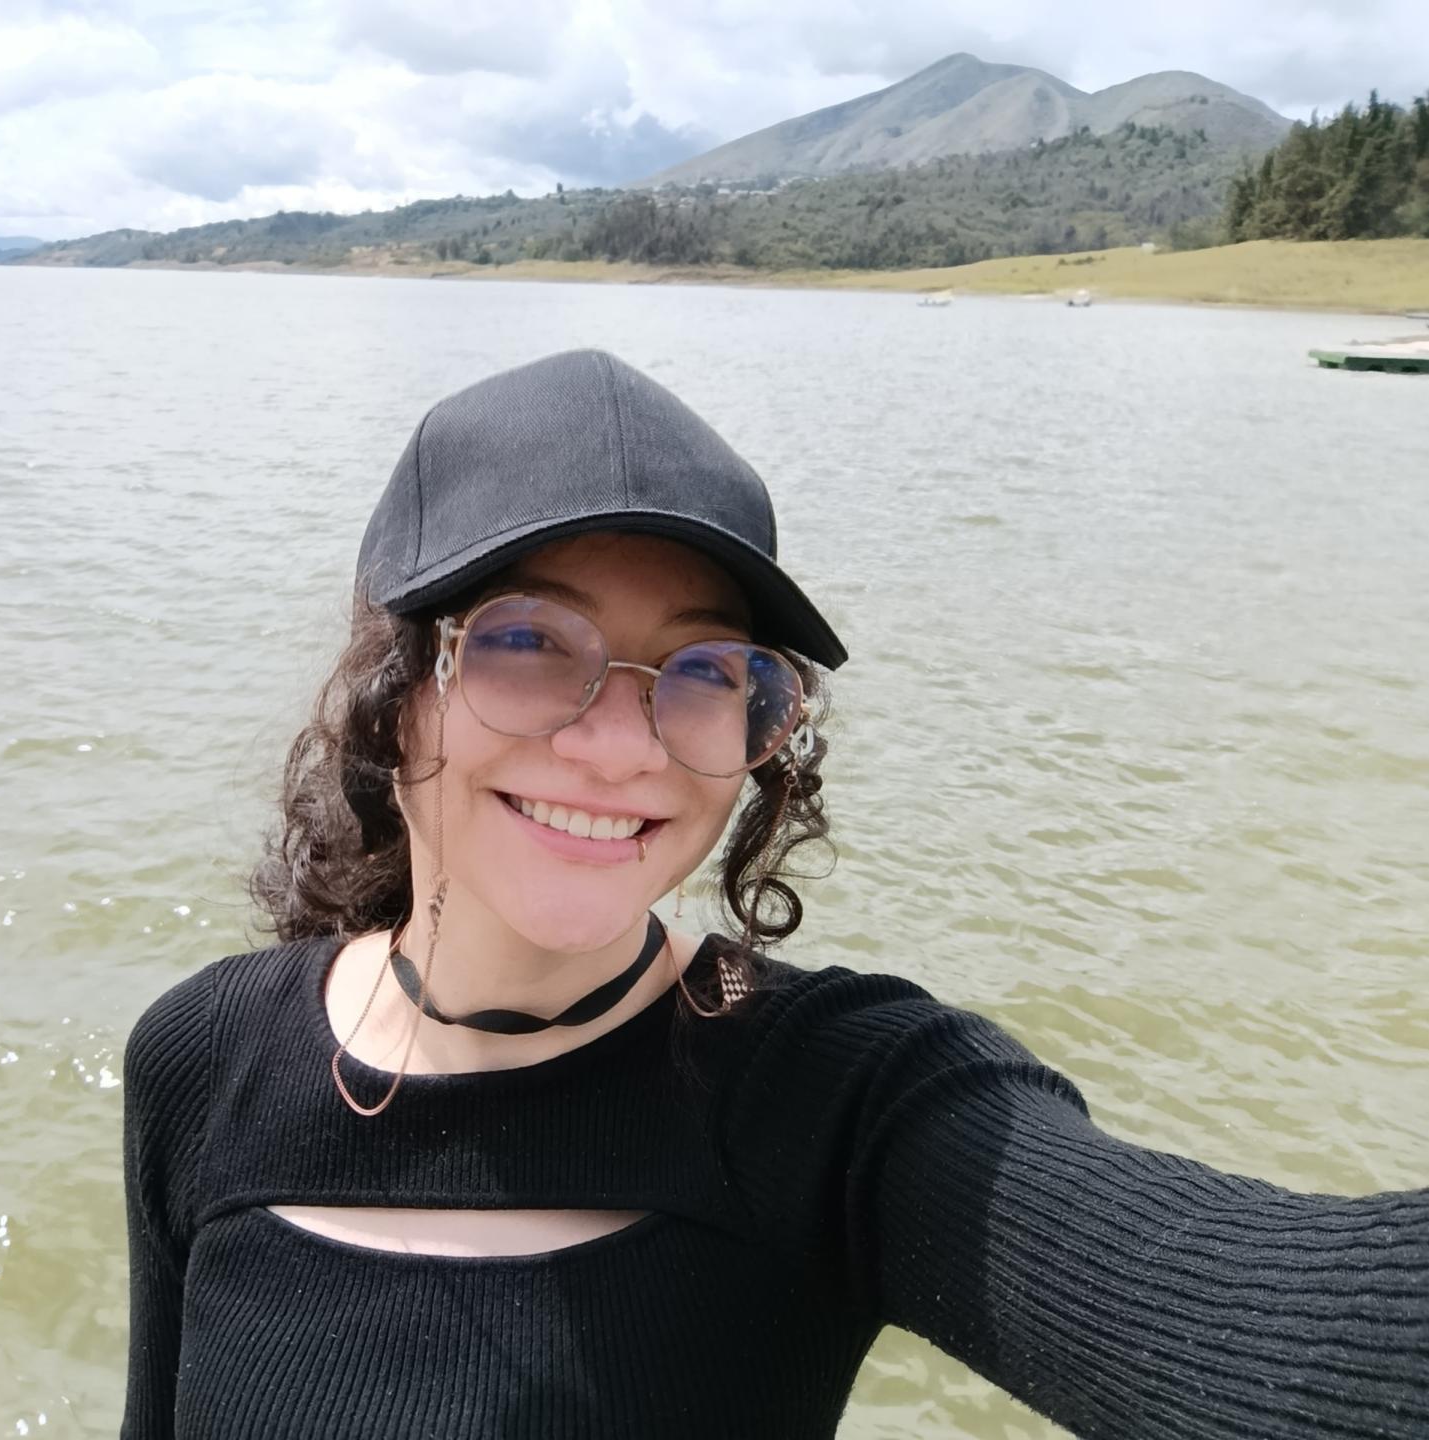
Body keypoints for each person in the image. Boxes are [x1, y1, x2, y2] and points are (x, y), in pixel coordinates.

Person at [120, 350, 1427, 1439]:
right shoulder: (202, 1058)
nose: (621, 750)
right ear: (393, 683)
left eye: (704, 670)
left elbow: (1269, 1323)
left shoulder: (835, 1098)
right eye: (527, 642)